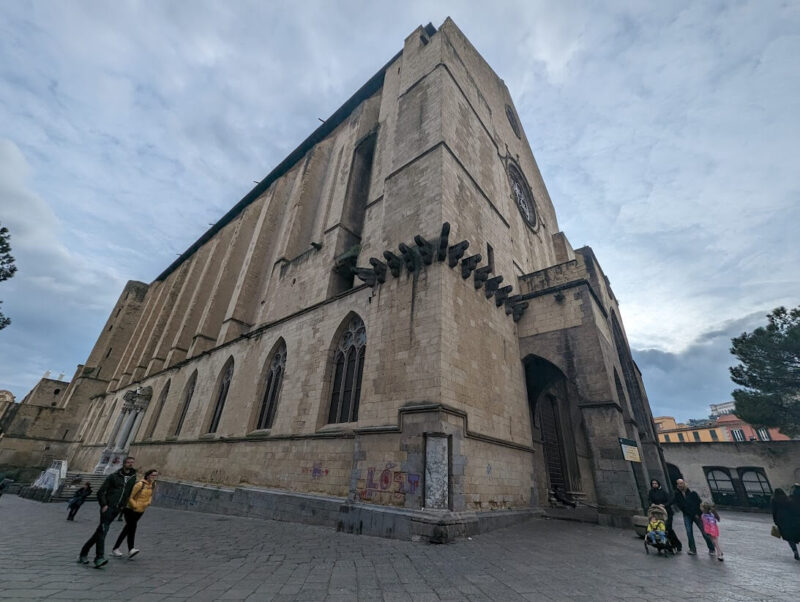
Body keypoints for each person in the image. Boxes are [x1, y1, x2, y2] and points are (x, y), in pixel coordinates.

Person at [77, 456, 137, 568]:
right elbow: (101, 492)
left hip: (118, 509)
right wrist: (104, 505)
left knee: (99, 532)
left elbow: (129, 493)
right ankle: (99, 558)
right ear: (123, 463)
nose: (130, 464)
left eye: (132, 463)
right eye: (128, 462)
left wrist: (124, 507)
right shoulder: (113, 477)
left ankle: (83, 553)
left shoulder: (133, 478)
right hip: (108, 508)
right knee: (103, 531)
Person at [112, 469, 158, 559]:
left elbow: (150, 495)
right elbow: (130, 496)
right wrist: (135, 505)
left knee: (127, 529)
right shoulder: (140, 484)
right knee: (132, 528)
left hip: (141, 510)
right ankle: (131, 549)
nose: (154, 477)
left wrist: (148, 502)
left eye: (155, 475)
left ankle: (116, 548)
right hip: (131, 509)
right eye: (152, 475)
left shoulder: (153, 485)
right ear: (148, 475)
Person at [672, 478, 715, 556]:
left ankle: (711, 548)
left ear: (684, 483)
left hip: (696, 515)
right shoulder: (677, 494)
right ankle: (692, 549)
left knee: (704, 532)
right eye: (678, 484)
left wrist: (699, 514)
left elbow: (699, 503)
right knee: (689, 532)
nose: (680, 485)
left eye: (681, 483)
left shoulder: (692, 493)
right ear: (677, 485)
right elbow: (675, 503)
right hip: (687, 515)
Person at [647, 479, 682, 552]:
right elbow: (649, 499)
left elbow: (670, 500)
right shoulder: (651, 492)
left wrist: (664, 505)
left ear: (658, 484)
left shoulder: (663, 492)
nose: (654, 485)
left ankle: (677, 544)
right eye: (653, 483)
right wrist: (651, 503)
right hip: (657, 513)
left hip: (667, 513)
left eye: (656, 483)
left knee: (668, 529)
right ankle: (663, 545)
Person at [772, 488, 800, 560]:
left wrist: (776, 521)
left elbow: (774, 511)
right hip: (792, 520)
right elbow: (794, 509)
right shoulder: (788, 499)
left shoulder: (774, 500)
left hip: (781, 522)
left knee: (789, 538)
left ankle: (795, 551)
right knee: (797, 535)